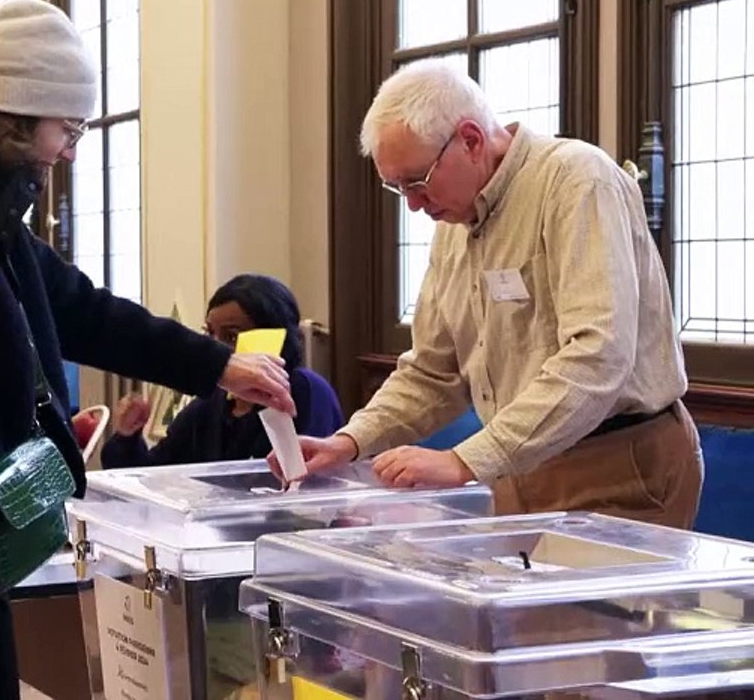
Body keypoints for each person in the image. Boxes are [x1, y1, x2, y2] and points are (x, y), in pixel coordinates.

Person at [0, 0, 294, 700]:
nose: (71, 150)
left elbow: (83, 311)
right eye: (67, 129)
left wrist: (218, 364)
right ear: (13, 112)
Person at [275, 59, 701, 529]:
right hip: (519, 466)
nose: (414, 204)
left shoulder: (576, 180)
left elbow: (597, 357)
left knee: (569, 607)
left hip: (619, 463)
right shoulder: (453, 220)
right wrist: (351, 440)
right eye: (397, 188)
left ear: (472, 140)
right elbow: (433, 372)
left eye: (417, 181)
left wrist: (465, 460)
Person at [103, 274, 344, 468]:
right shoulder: (210, 403)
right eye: (210, 334)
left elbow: (308, 486)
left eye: (230, 336)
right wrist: (127, 436)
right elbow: (153, 474)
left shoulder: (307, 391)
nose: (214, 348)